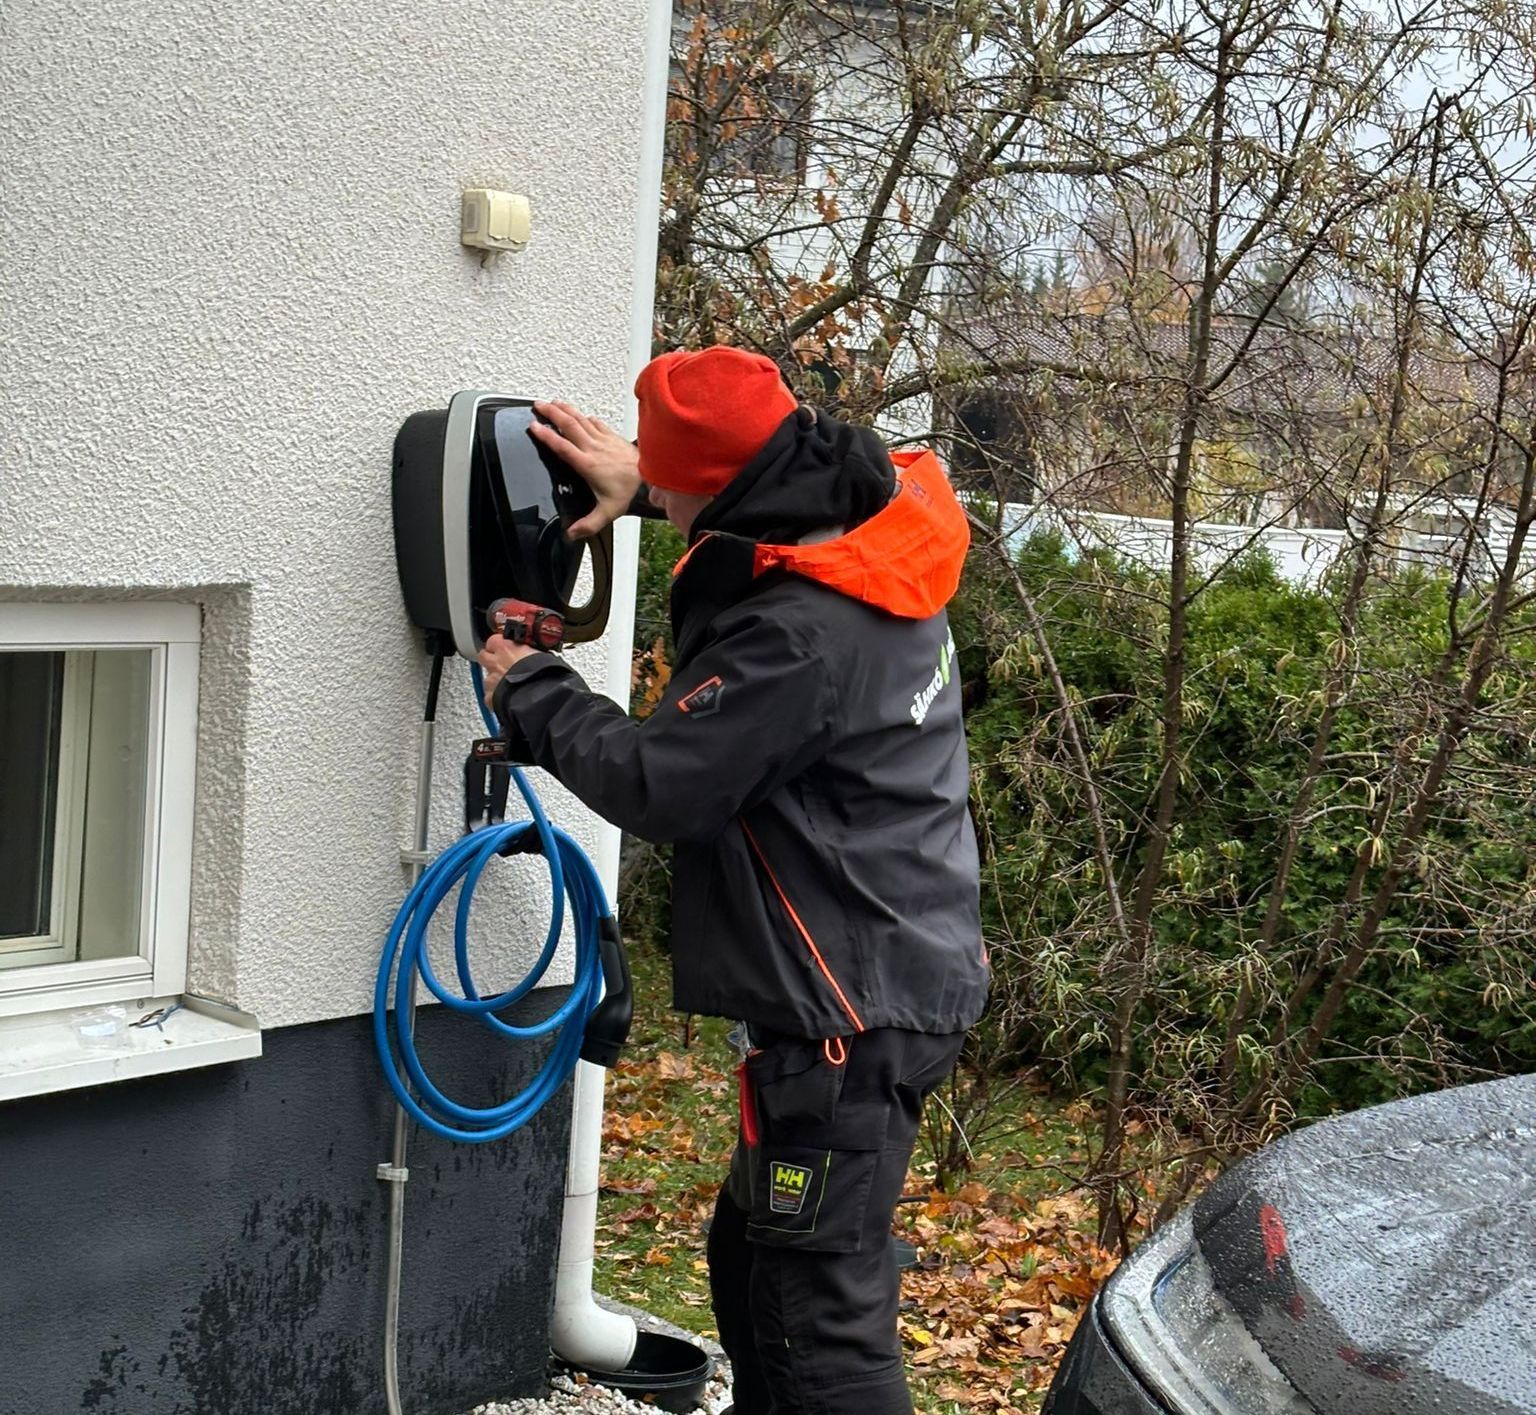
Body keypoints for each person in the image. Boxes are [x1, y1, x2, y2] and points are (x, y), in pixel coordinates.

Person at [479, 345, 989, 1415]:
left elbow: (666, 781)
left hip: (846, 1009)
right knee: (753, 1258)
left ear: (712, 484)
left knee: (813, 1310)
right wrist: (662, 495)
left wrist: (535, 689)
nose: (647, 494)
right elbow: (745, 529)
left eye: (663, 482)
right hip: (885, 973)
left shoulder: (799, 635)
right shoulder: (859, 526)